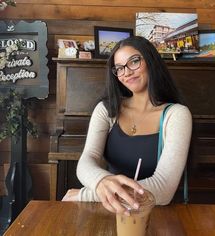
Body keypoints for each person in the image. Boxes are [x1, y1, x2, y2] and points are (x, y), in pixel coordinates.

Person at [62, 36, 192, 216]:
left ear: (151, 61)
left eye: (134, 61)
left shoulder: (176, 114)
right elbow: (86, 161)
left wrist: (87, 194)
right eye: (119, 68)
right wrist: (101, 182)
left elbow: (163, 190)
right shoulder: (107, 109)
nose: (126, 73)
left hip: (153, 214)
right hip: (108, 212)